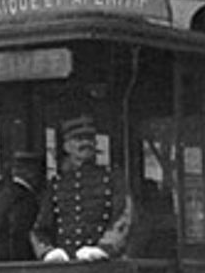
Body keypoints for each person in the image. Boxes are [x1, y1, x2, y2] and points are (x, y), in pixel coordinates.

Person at [31, 112, 132, 263]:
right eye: (78, 139)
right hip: (67, 266)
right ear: (66, 146)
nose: (86, 143)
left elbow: (124, 216)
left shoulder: (113, 178)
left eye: (90, 139)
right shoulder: (57, 184)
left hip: (105, 264)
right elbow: (40, 228)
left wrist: (104, 249)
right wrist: (48, 252)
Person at [0, 150, 44, 263]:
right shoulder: (23, 197)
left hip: (0, 257)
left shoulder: (5, 193)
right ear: (30, 173)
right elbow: (18, 232)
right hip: (15, 259)